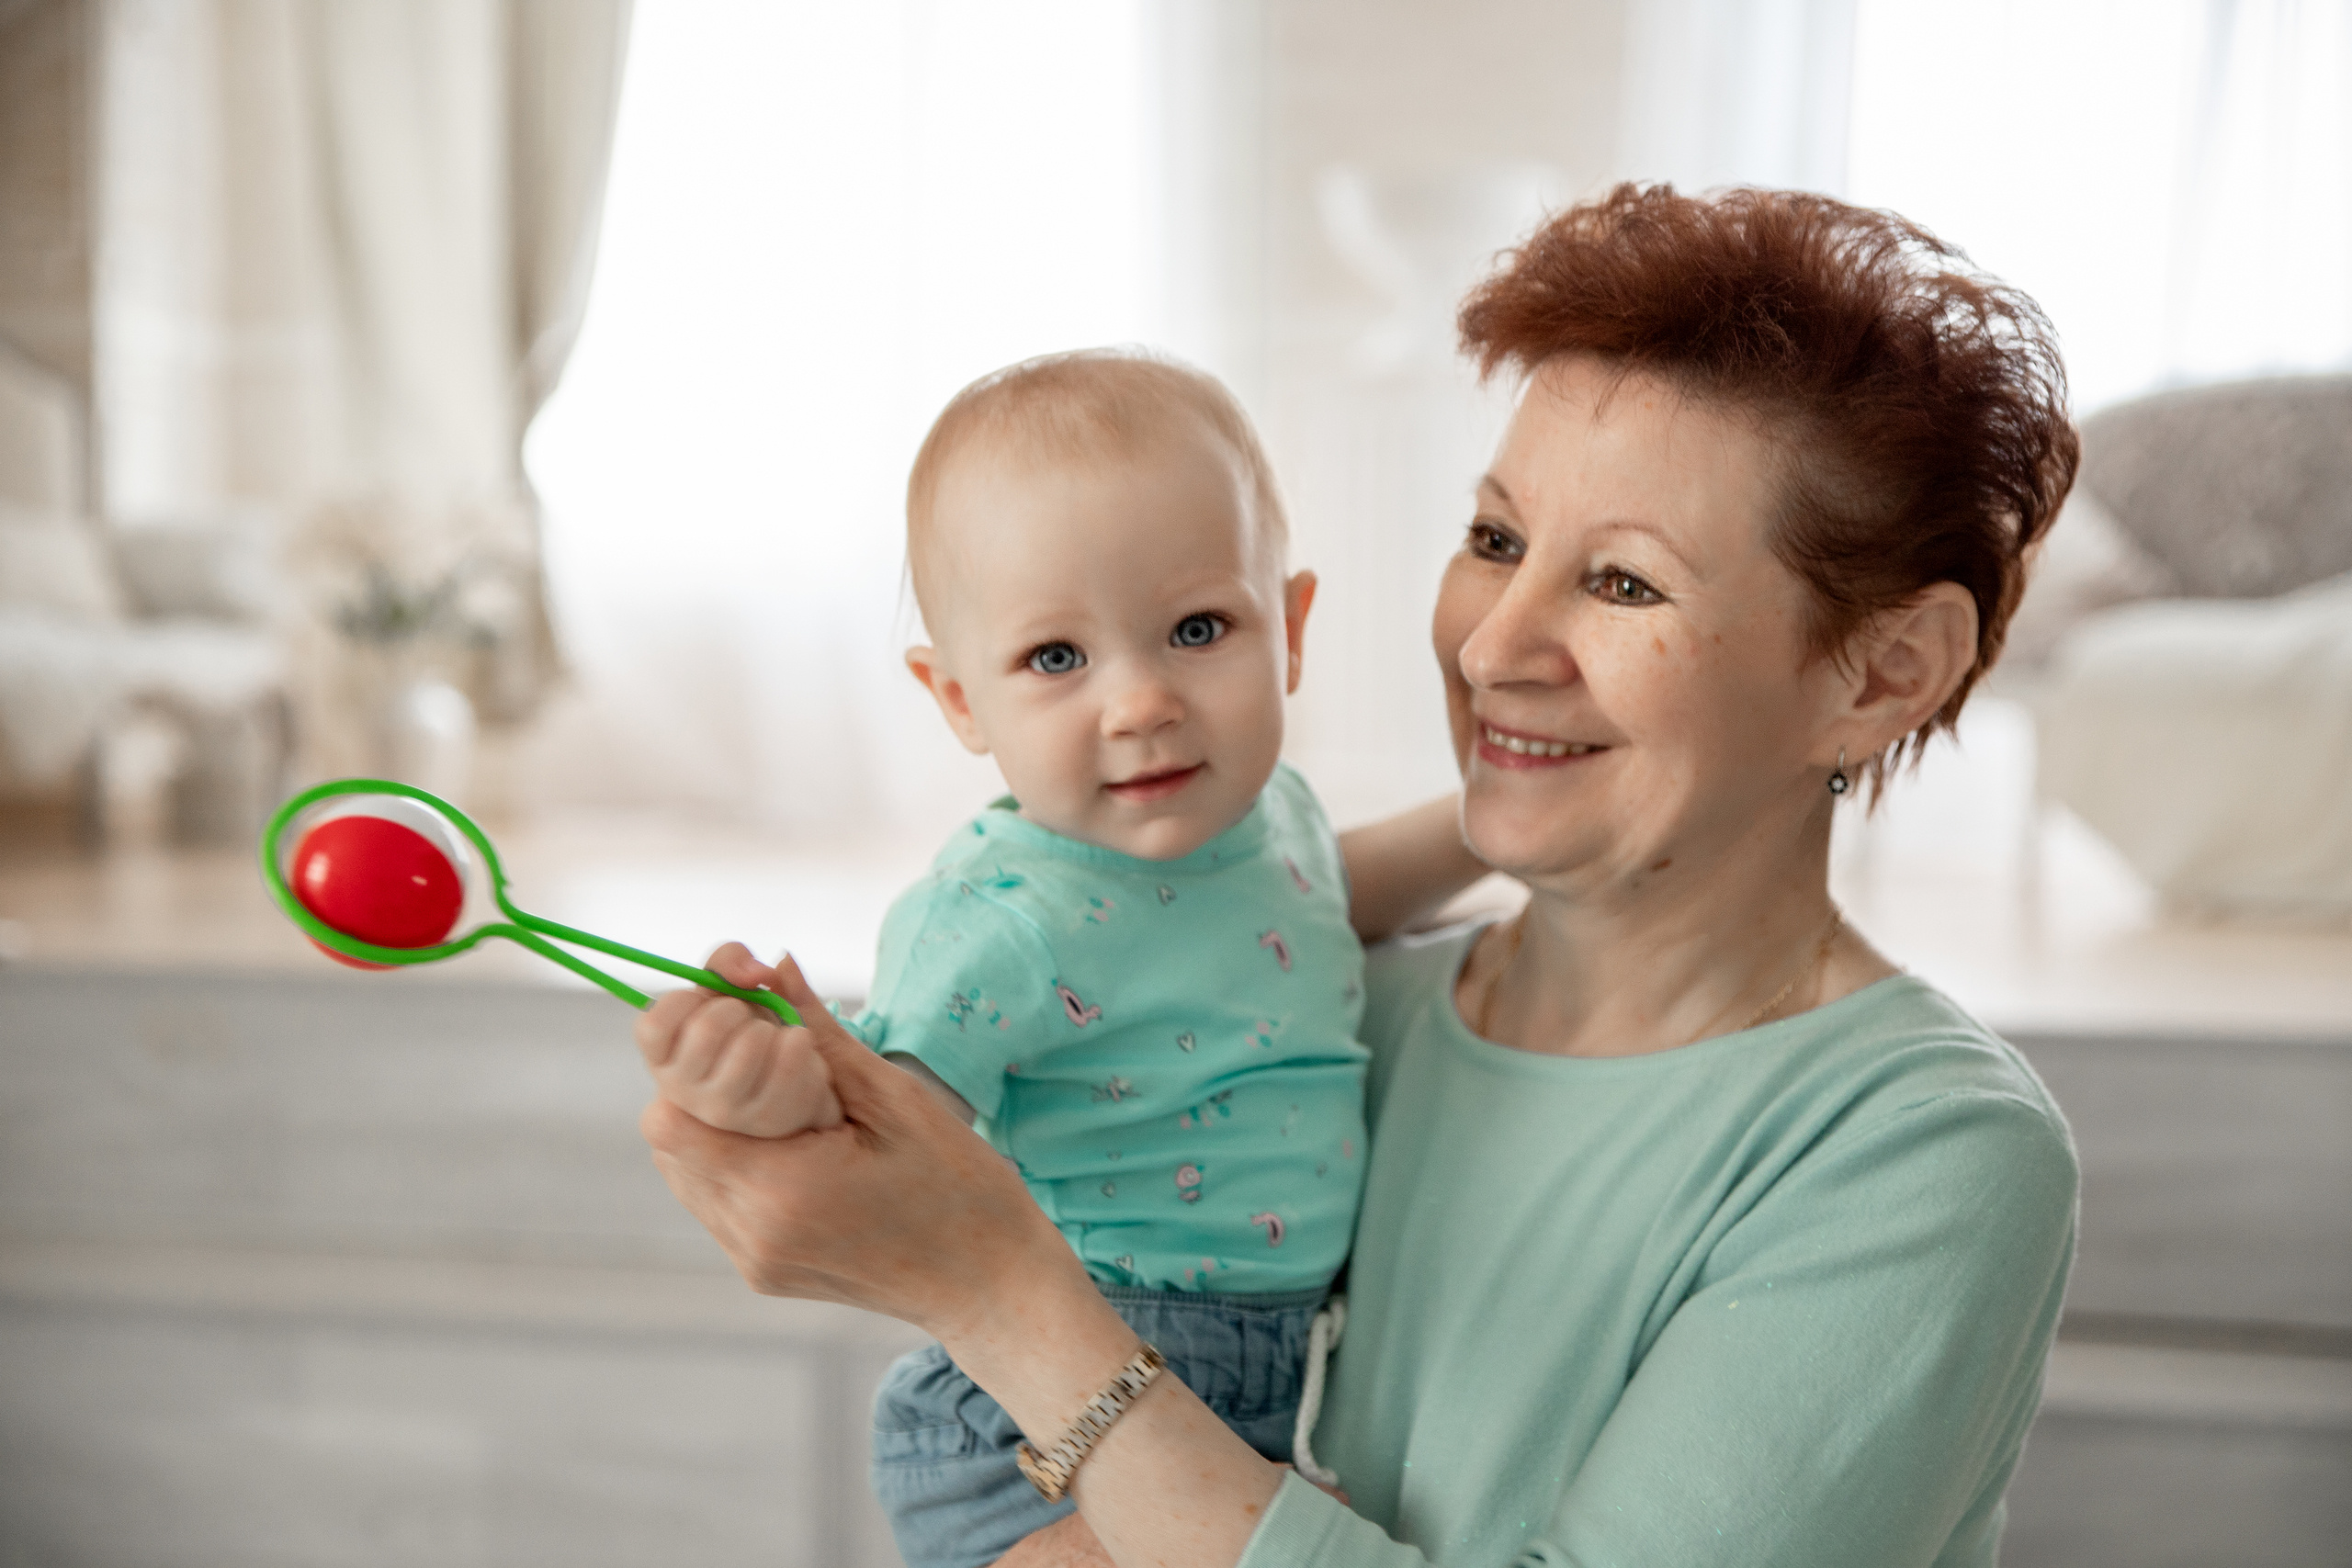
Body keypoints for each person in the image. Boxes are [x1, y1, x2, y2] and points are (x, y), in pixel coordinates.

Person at [638, 185, 2083, 1567]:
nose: (1492, 643)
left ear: (1885, 672)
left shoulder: (1921, 1156)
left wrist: (1002, 1299)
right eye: (1496, 540)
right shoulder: (1320, 999)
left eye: (1625, 581)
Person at [633, 350, 1476, 1568]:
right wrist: (759, 1091)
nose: (1140, 703)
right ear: (959, 699)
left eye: (1197, 629)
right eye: (1057, 659)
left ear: (1288, 630)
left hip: (1291, 1373)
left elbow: (1324, 900)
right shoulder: (998, 917)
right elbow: (888, 1126)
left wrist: (1487, 826)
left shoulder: (1268, 815)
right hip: (1045, 1416)